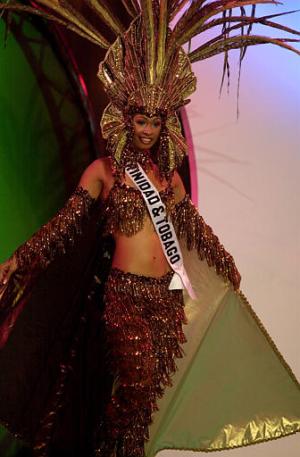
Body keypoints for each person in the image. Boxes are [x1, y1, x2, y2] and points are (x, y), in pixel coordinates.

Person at [0, 2, 299, 457]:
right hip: (124, 297)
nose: (147, 130)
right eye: (140, 120)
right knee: (136, 383)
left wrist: (225, 262)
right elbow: (63, 227)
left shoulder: (169, 179)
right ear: (126, 118)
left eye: (156, 121)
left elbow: (192, 226)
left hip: (167, 299)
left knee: (143, 406)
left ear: (165, 124)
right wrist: (19, 259)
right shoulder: (104, 172)